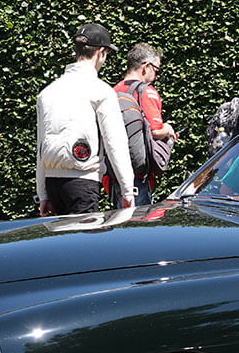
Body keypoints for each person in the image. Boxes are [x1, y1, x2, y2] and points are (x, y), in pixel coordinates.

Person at [36, 23, 135, 216]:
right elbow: (115, 143)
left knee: (59, 245)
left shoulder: (47, 93)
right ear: (100, 52)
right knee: (82, 245)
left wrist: (43, 194)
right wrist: (127, 190)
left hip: (52, 182)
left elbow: (40, 145)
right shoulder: (101, 91)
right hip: (84, 182)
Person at [113, 43, 176, 206]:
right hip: (138, 177)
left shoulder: (112, 91)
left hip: (115, 173)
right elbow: (155, 131)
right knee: (138, 226)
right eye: (156, 70)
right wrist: (168, 129)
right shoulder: (147, 91)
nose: (155, 76)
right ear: (146, 67)